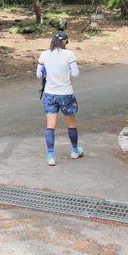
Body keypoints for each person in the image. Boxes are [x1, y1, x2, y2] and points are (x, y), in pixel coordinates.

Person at [36, 30, 83, 166]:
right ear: (65, 41)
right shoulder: (69, 54)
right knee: (71, 124)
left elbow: (39, 75)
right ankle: (75, 150)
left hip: (49, 93)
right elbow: (75, 73)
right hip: (66, 93)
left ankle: (51, 156)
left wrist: (47, 72)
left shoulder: (44, 54)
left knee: (50, 126)